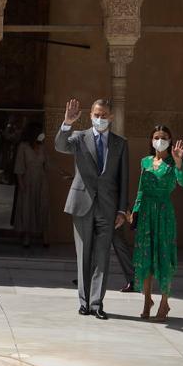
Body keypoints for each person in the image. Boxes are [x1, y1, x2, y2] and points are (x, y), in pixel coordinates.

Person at [55, 98, 129, 320]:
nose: (100, 118)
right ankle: (84, 302)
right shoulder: (78, 138)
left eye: (104, 115)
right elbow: (60, 145)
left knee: (102, 255)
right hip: (82, 204)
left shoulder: (120, 143)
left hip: (107, 207)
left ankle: (97, 304)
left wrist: (122, 210)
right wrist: (67, 123)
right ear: (90, 115)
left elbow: (123, 178)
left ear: (111, 117)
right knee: (83, 254)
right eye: (97, 114)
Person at [130, 126, 183, 322]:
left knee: (163, 259)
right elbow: (140, 189)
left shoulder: (173, 163)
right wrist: (135, 211)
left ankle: (164, 302)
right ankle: (147, 301)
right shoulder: (145, 161)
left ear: (170, 140)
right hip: (146, 213)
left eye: (164, 137)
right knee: (145, 257)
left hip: (163, 214)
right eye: (156, 137)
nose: (160, 140)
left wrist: (179, 164)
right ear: (151, 140)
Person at [14, 123, 50, 248]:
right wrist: (21, 184)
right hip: (28, 180)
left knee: (42, 206)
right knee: (27, 208)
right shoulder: (23, 147)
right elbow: (19, 166)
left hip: (41, 180)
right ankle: (27, 237)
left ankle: (45, 237)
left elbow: (48, 164)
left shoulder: (42, 147)